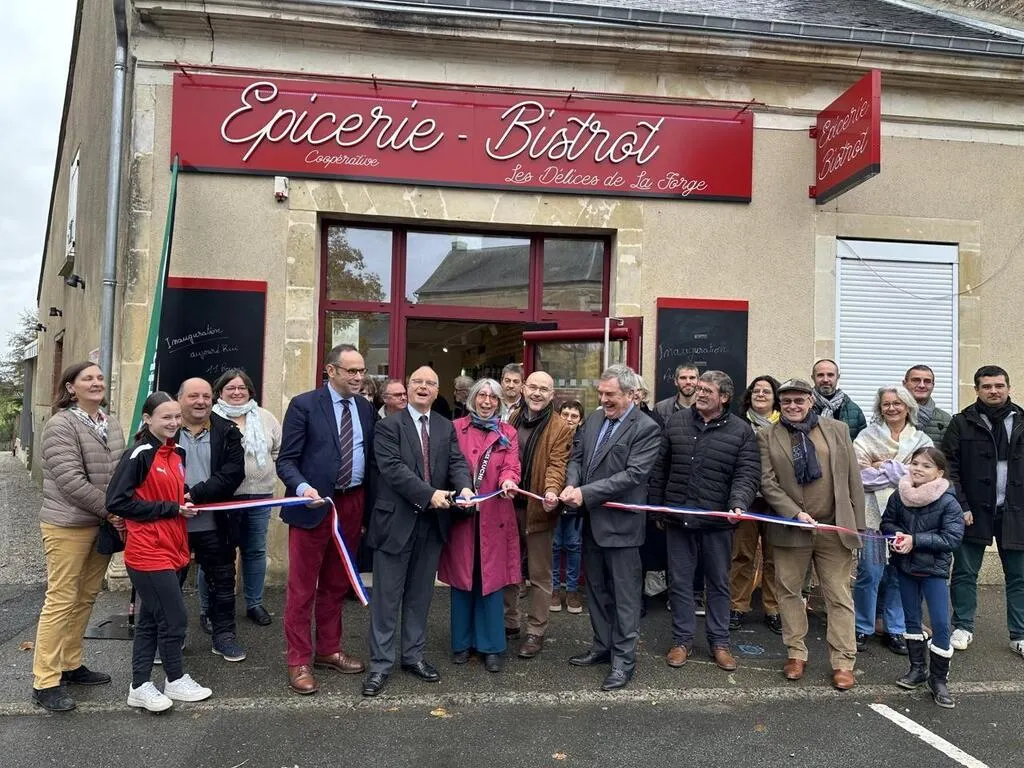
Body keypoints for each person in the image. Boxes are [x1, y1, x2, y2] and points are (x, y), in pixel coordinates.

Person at [363, 366, 474, 697]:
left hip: (431, 525)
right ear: (408, 389)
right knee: (386, 600)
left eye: (430, 383)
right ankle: (380, 665)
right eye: (417, 382)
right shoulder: (387, 426)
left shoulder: (445, 426)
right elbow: (393, 470)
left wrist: (464, 487)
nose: (423, 387)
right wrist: (429, 495)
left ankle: (413, 657)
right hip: (395, 523)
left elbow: (456, 462)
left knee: (419, 597)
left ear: (437, 391)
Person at [276, 344, 376, 694]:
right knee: (302, 587)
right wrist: (303, 488)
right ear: (331, 371)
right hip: (312, 506)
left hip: (351, 504)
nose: (359, 377)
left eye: (362, 370)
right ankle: (299, 660)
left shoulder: (365, 408)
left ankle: (329, 650)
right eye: (352, 371)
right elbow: (286, 461)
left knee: (336, 583)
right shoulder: (304, 405)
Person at [105, 392, 213, 713]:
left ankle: (141, 685)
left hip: (174, 546)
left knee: (151, 619)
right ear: (147, 419)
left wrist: (184, 500)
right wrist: (171, 508)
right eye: (166, 417)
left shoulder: (177, 452)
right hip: (147, 551)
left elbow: (172, 492)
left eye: (177, 416)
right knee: (175, 618)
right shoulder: (138, 454)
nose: (174, 422)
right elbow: (117, 502)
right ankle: (173, 678)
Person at [648, 371, 760, 673]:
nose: (699, 393)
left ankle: (719, 643)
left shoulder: (741, 431)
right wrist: (658, 510)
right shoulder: (676, 422)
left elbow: (747, 473)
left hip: (717, 522)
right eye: (698, 389)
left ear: (724, 397)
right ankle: (682, 640)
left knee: (719, 583)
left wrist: (738, 503)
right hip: (679, 518)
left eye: (707, 390)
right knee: (680, 582)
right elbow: (660, 467)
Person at [758, 378, 865, 690]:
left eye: (799, 400)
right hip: (791, 527)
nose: (793, 406)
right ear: (780, 404)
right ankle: (795, 653)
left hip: (833, 527)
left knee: (838, 595)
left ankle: (843, 661)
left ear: (810, 401)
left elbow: (853, 478)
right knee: (789, 592)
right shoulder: (766, 436)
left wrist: (857, 523)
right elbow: (767, 482)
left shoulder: (837, 429)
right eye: (786, 401)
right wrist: (794, 513)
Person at [32, 362, 126, 712]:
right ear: (71, 387)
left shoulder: (110, 423)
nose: (96, 382)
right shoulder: (61, 424)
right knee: (61, 599)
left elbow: (119, 473)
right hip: (68, 524)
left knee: (85, 597)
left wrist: (121, 507)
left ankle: (70, 664)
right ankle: (45, 680)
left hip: (100, 523)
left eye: (100, 377)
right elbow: (70, 480)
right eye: (88, 378)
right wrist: (112, 511)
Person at [560, 364, 661, 691]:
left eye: (610, 394)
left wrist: (584, 493)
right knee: (596, 592)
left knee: (625, 598)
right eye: (601, 393)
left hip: (622, 529)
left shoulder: (646, 428)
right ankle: (602, 647)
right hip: (590, 522)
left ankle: (623, 662)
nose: (603, 399)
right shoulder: (593, 420)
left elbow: (633, 475)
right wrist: (571, 484)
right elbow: (577, 458)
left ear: (631, 394)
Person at [438, 379, 521, 673]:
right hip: (462, 516)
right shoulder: (455, 428)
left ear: (499, 402)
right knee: (463, 579)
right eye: (482, 396)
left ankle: (492, 646)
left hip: (495, 515)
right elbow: (448, 465)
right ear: (472, 399)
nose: (487, 401)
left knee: (491, 581)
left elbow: (511, 464)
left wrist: (509, 480)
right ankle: (461, 643)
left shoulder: (507, 432)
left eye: (493, 397)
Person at [942, 365, 1024, 658]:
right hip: (973, 511)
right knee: (965, 572)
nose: (994, 391)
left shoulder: (1021, 421)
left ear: (1008, 388)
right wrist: (960, 505)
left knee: (1019, 575)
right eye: (987, 386)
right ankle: (963, 626)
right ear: (976, 389)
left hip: (1016, 511)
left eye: (999, 385)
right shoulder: (961, 423)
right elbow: (949, 468)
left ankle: (1020, 634)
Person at [881, 447, 965, 708]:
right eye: (915, 463)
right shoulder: (899, 495)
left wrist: (914, 540)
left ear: (939, 472)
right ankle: (917, 669)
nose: (918, 469)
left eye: (926, 466)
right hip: (905, 567)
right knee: (911, 620)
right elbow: (887, 523)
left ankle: (939, 680)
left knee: (940, 624)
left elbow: (951, 538)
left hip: (934, 571)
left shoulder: (948, 502)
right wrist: (896, 535)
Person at [853, 386, 932, 656]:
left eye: (897, 403)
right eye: (886, 404)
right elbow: (859, 475)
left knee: (899, 574)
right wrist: (903, 469)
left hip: (907, 516)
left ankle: (895, 628)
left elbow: (925, 475)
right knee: (869, 572)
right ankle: (862, 626)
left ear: (908, 406)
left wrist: (882, 465)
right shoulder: (866, 436)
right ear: (880, 408)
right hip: (872, 516)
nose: (892, 408)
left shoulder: (921, 439)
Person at [175, 378, 246, 660]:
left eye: (206, 396)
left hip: (215, 524)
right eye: (193, 396)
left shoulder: (227, 431)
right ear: (179, 398)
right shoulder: (164, 428)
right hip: (173, 522)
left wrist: (195, 494)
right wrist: (178, 496)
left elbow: (233, 473)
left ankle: (224, 636)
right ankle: (171, 638)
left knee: (223, 582)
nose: (201, 401)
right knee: (170, 583)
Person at [506, 371, 574, 658]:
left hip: (538, 509)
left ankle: (536, 630)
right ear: (523, 389)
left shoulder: (560, 427)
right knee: (509, 569)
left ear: (552, 395)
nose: (537, 393)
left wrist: (551, 491)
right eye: (532, 387)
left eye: (543, 389)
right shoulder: (512, 418)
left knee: (539, 574)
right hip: (508, 507)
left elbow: (558, 465)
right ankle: (510, 622)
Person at [206, 369, 282, 627]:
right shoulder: (211, 418)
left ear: (250, 391)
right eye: (231, 388)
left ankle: (254, 604)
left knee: (255, 550)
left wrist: (264, 472)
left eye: (242, 388)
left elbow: (278, 451)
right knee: (215, 552)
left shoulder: (266, 417)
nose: (237, 392)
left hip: (259, 496)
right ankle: (209, 608)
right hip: (222, 497)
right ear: (220, 391)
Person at [730, 375, 782, 634]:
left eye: (766, 391)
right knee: (741, 555)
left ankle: (773, 609)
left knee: (775, 557)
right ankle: (737, 606)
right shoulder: (737, 424)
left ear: (775, 398)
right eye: (756, 390)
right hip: (747, 500)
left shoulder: (785, 425)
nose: (761, 394)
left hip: (777, 501)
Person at [553, 399, 585, 615]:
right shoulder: (552, 437)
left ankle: (572, 590)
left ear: (580, 421)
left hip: (575, 503)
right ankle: (554, 589)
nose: (569, 419)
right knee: (554, 546)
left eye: (574, 416)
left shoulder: (585, 441)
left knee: (574, 545)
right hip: (553, 500)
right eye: (565, 414)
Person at [811, 359, 867, 439]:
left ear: (838, 377)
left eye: (830, 375)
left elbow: (863, 443)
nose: (825, 380)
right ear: (813, 378)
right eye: (820, 375)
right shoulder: (803, 408)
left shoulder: (854, 411)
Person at [904, 365, 952, 443]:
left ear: (933, 386)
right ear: (904, 383)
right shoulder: (893, 415)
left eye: (927, 381)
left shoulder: (945, 420)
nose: (922, 385)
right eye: (916, 380)